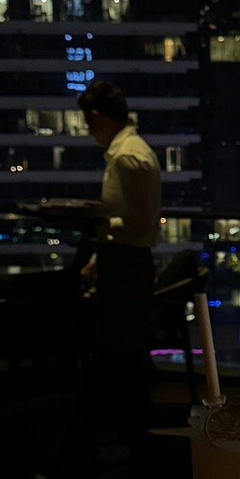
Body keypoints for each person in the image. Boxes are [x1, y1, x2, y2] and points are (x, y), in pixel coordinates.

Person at [77, 81, 162, 453]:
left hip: (126, 267)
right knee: (124, 351)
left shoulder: (125, 157)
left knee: (119, 350)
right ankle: (127, 434)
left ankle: (122, 434)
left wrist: (98, 224)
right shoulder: (135, 151)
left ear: (97, 117)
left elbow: (135, 225)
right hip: (129, 263)